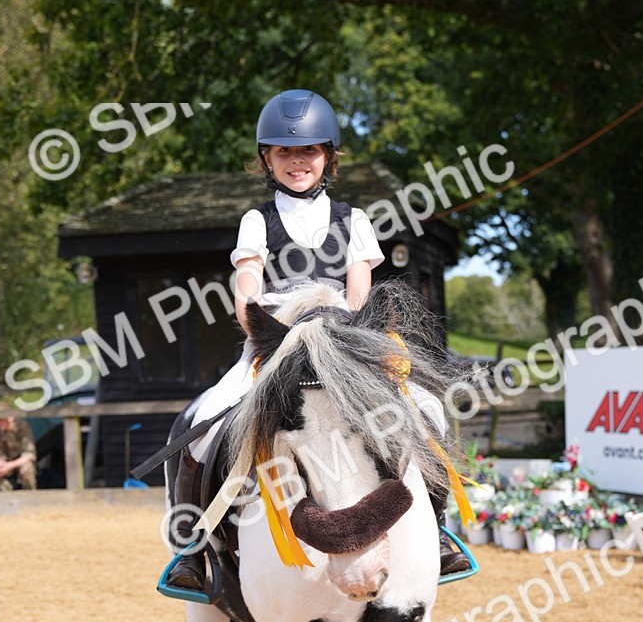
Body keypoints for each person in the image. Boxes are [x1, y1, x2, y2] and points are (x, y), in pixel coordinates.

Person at [168, 88, 467, 590]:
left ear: (328, 156)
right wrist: (264, 327)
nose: (297, 161)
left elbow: (359, 296)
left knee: (428, 410)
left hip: (343, 353)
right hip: (274, 348)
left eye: (308, 151)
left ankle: (438, 531)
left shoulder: (354, 220)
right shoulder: (256, 221)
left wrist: (343, 343)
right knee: (203, 419)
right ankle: (195, 553)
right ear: (267, 158)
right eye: (284, 151)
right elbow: (248, 288)